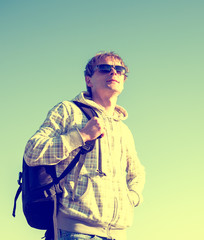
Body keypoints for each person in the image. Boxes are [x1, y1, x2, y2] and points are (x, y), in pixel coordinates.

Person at [24, 52, 145, 240]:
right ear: (89, 80)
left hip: (119, 233)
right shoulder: (67, 110)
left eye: (119, 70)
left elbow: (137, 172)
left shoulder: (123, 129)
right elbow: (33, 151)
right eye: (104, 68)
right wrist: (81, 136)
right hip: (76, 231)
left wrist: (132, 198)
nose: (113, 72)